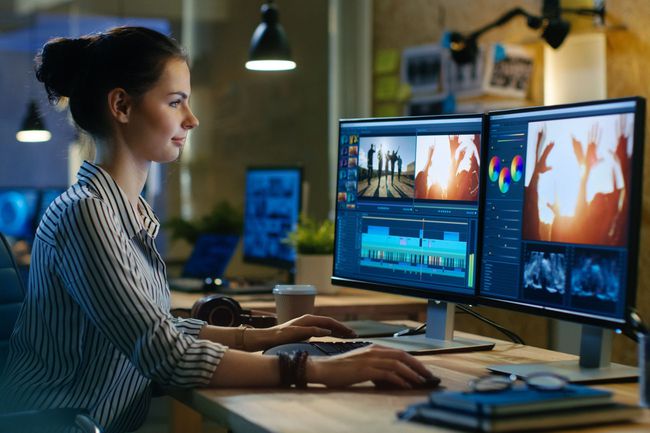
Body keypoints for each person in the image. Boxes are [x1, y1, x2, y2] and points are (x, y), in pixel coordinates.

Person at [0, 27, 432, 433]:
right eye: (175, 102)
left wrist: (268, 336)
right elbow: (164, 353)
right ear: (122, 107)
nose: (192, 119)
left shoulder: (120, 213)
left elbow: (160, 328)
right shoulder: (86, 215)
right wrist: (315, 368)